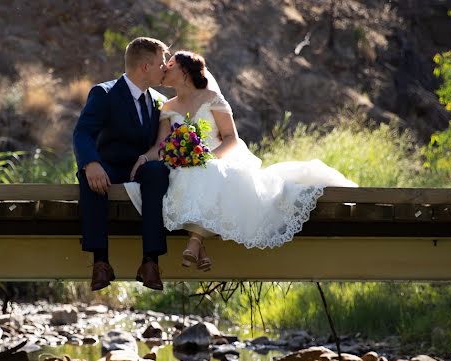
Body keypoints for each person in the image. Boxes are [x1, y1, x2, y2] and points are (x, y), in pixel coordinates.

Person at [126, 51, 357, 271]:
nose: (165, 68)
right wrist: (144, 158)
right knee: (182, 178)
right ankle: (199, 247)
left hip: (214, 157)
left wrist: (207, 158)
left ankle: (195, 242)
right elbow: (161, 145)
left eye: (171, 65)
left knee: (206, 174)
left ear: (185, 71)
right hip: (183, 163)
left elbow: (231, 139)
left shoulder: (212, 98)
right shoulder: (167, 107)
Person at [73, 37, 170, 291]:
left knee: (158, 172)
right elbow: (82, 133)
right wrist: (91, 163)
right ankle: (100, 263)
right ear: (145, 67)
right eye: (161, 63)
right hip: (109, 168)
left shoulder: (159, 100)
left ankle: (150, 262)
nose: (165, 68)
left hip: (142, 170)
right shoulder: (105, 93)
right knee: (89, 178)